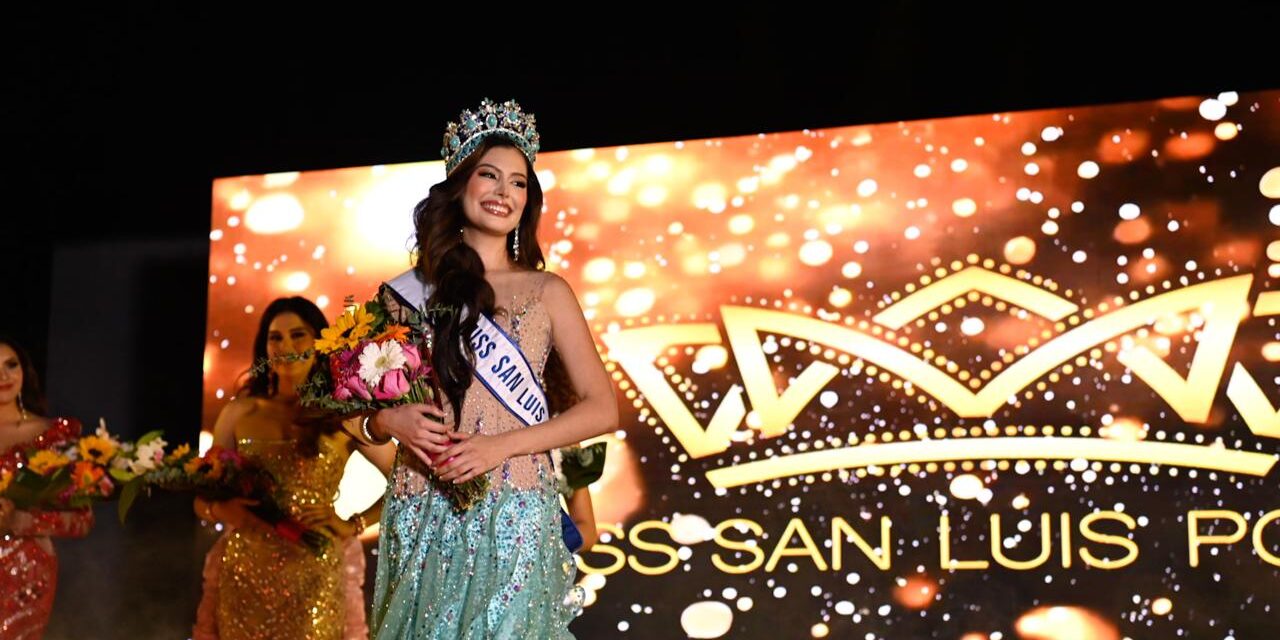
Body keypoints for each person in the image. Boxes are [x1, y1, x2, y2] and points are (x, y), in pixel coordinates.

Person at [362, 98, 618, 638]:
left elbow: (603, 408)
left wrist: (499, 446)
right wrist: (387, 423)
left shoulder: (548, 292)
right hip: (422, 507)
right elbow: (342, 409)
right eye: (489, 176)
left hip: (516, 513)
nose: (505, 193)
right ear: (459, 186)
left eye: (519, 183)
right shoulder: (404, 296)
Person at [192, 297, 392, 640]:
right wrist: (220, 508)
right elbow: (201, 497)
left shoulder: (343, 412)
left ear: (319, 342)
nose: (286, 346)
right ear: (264, 347)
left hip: (315, 579)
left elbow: (405, 484)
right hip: (245, 576)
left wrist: (353, 523)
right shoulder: (240, 413)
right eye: (275, 337)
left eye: (298, 335)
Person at [0, 336, 94, 638]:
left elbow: (82, 519)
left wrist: (22, 521)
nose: (4, 376)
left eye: (11, 365)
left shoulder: (54, 436)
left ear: (24, 370)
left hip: (26, 570)